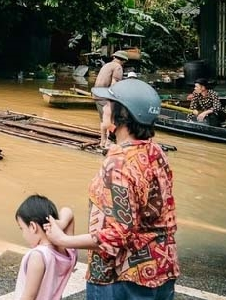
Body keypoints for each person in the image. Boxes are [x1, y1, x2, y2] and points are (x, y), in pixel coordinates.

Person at [44, 79, 180, 299]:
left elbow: (118, 235)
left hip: (119, 279)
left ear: (122, 115)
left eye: (108, 103)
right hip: (162, 268)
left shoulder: (118, 162)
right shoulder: (156, 152)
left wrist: (64, 240)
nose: (104, 107)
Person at [14, 195, 77, 300]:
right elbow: (68, 212)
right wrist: (61, 224)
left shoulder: (38, 256)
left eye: (22, 228)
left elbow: (29, 297)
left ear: (33, 227)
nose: (23, 234)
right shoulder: (66, 251)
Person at [93, 50, 129, 147]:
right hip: (105, 95)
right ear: (124, 61)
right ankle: (109, 142)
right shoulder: (118, 67)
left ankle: (102, 142)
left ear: (114, 57)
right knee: (111, 120)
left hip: (96, 94)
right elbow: (114, 84)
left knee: (103, 119)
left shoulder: (106, 65)